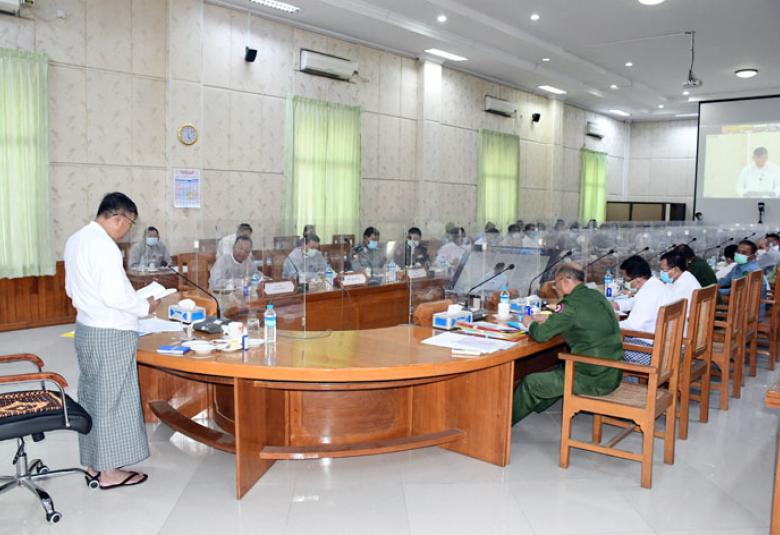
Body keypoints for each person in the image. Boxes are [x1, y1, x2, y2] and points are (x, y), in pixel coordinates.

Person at [64, 192, 160, 489]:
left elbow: (71, 289)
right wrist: (145, 307)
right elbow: (115, 296)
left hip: (87, 329)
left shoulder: (76, 239)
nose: (128, 230)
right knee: (112, 401)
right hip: (110, 333)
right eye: (130, 224)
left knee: (92, 397)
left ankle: (94, 464)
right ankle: (109, 473)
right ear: (119, 217)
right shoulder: (105, 246)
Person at [513, 264, 623, 424]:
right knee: (558, 369)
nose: (556, 288)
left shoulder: (570, 304)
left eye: (555, 284)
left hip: (594, 377)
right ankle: (534, 403)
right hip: (612, 371)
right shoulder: (595, 295)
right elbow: (580, 318)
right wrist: (552, 319)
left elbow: (541, 335)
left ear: (565, 281)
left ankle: (501, 425)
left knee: (531, 382)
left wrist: (529, 322)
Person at [615, 255, 668, 365]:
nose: (626, 283)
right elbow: (635, 301)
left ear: (638, 279)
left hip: (650, 352)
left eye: (626, 280)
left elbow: (633, 325)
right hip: (665, 347)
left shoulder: (647, 293)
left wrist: (611, 323)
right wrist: (617, 305)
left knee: (605, 346)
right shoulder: (655, 284)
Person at [717, 239, 768, 318]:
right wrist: (711, 284)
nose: (739, 254)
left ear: (752, 256)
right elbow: (724, 280)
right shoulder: (738, 266)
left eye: (744, 253)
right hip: (741, 303)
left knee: (713, 298)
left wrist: (715, 291)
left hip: (748, 311)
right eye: (738, 252)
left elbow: (735, 291)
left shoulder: (751, 271)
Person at [659, 251, 701, 316]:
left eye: (663, 270)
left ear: (675, 269)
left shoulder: (682, 285)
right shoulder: (686, 276)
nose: (661, 273)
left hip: (684, 320)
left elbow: (669, 309)